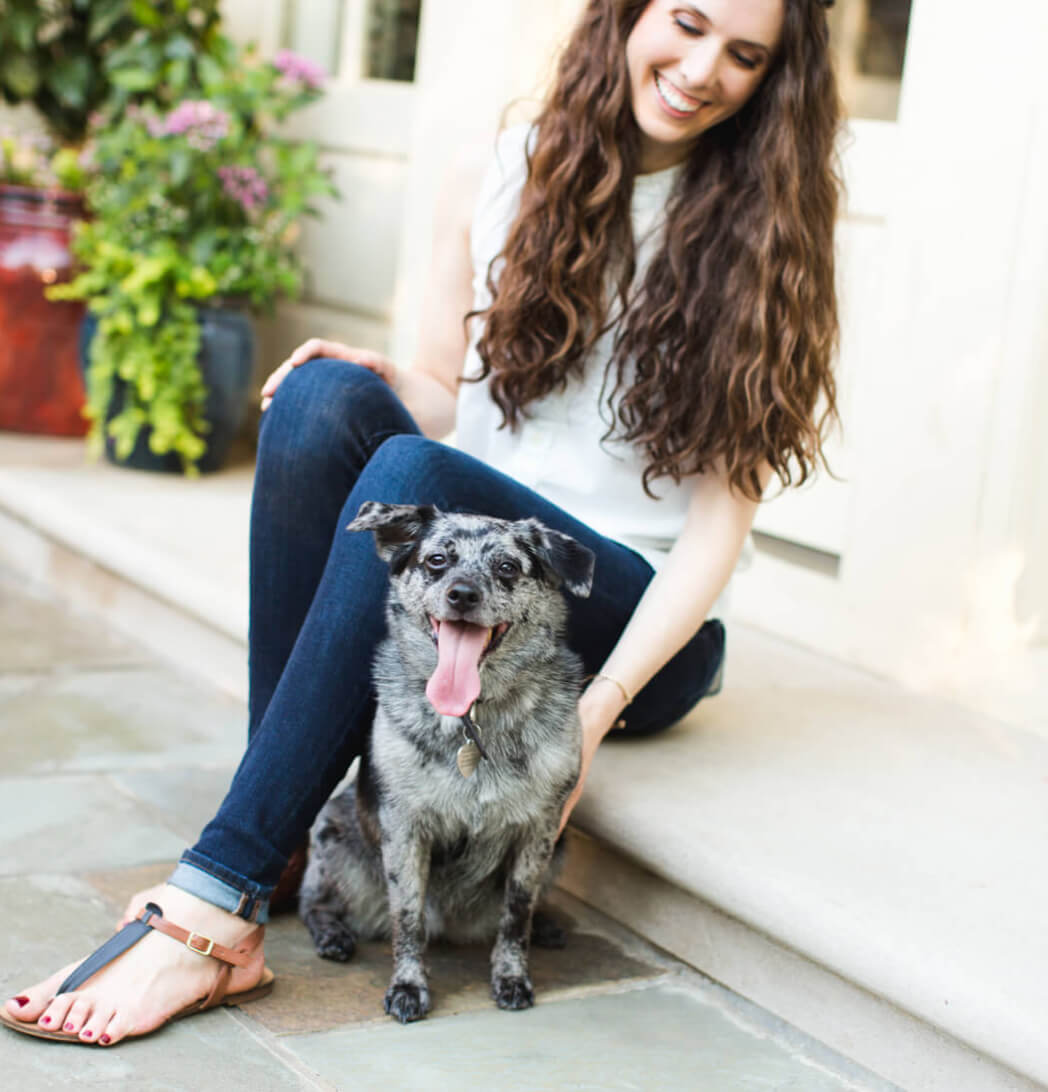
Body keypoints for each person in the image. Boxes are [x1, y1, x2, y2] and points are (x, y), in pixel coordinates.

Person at [2, 0, 840, 1046]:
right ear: (626, 16)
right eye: (687, 22)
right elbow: (446, 400)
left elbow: (716, 532)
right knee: (321, 405)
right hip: (475, 577)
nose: (703, 67)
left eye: (745, 56)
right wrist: (382, 380)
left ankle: (216, 900)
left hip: (626, 615)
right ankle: (296, 828)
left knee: (410, 471)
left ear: (771, 82)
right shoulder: (498, 172)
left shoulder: (764, 235)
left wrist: (590, 714)